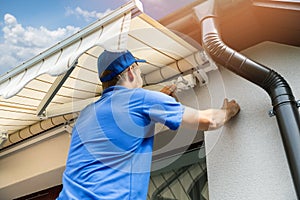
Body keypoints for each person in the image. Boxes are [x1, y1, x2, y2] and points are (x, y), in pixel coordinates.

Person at [57, 50, 240, 199]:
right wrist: (228, 110)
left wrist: (157, 107)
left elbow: (125, 132)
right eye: (139, 70)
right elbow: (208, 121)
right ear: (131, 71)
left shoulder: (86, 114)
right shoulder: (141, 99)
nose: (140, 74)